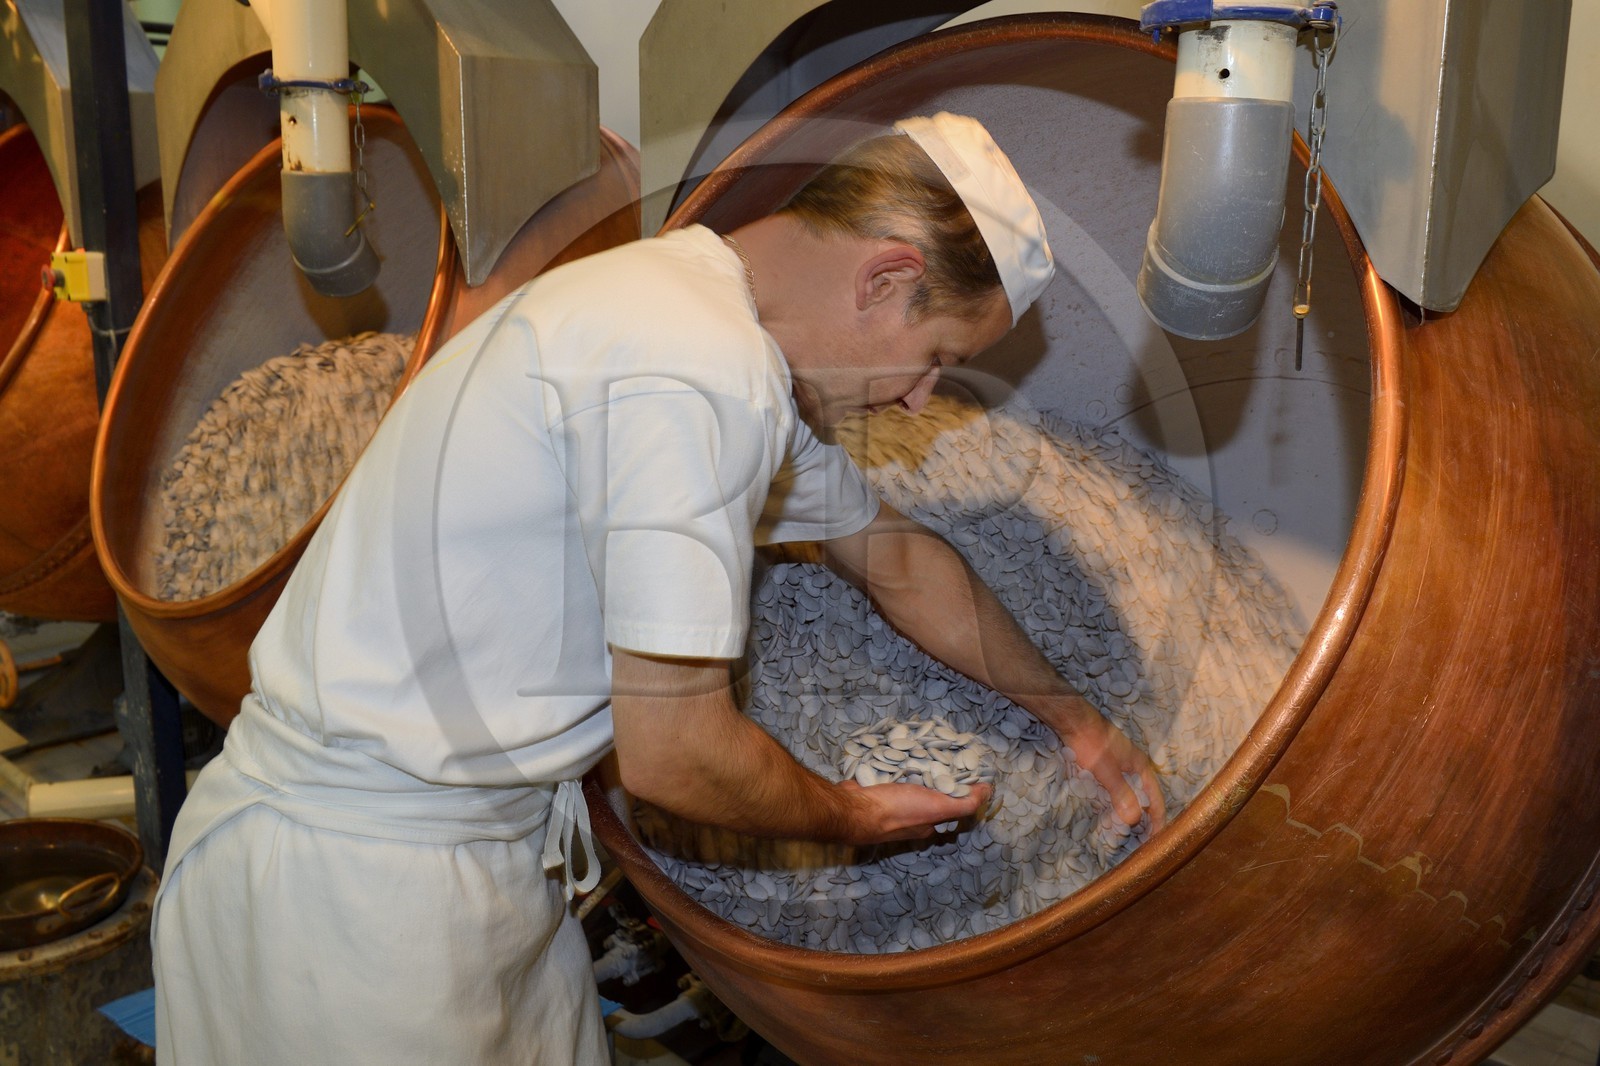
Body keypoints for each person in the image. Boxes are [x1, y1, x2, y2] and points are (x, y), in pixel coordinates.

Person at [152, 112, 1165, 1063]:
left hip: (479, 858)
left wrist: (1069, 717)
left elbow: (899, 560)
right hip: (352, 898)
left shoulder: (694, 322)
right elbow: (678, 759)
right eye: (933, 357)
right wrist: (852, 818)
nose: (916, 397)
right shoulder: (694, 368)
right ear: (884, 277)